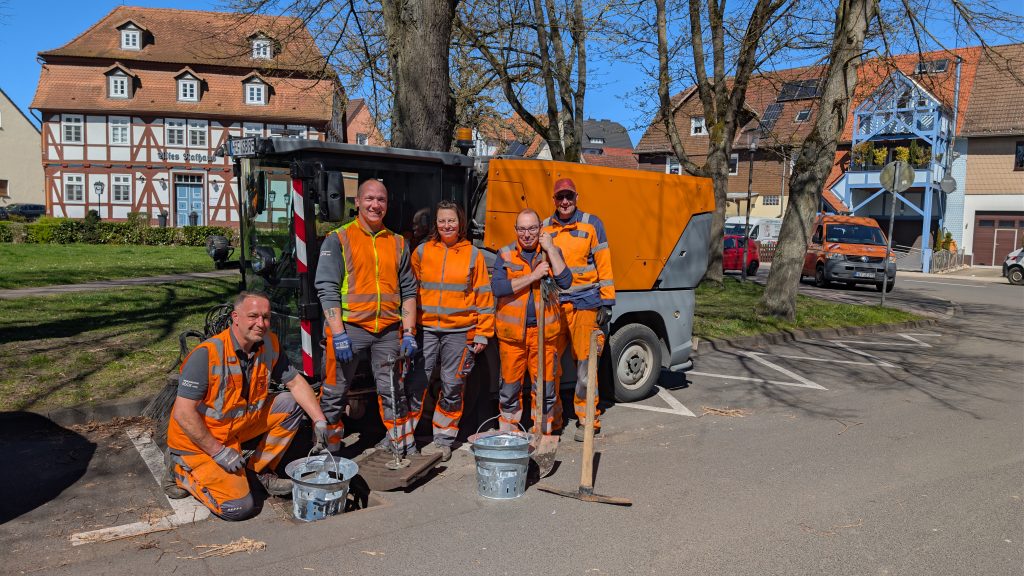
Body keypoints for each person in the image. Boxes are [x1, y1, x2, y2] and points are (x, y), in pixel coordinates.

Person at [165, 291, 329, 521]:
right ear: (235, 317)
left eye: (266, 317)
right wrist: (219, 452)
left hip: (237, 426)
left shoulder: (268, 344)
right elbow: (183, 413)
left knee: (290, 404)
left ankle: (257, 469)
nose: (260, 324)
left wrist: (319, 420)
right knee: (238, 507)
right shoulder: (207, 354)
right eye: (253, 316)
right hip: (199, 439)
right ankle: (180, 469)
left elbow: (294, 382)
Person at [315, 178, 419, 456]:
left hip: (387, 331)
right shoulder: (338, 239)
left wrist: (409, 332)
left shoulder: (398, 243)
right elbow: (327, 288)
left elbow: (409, 289)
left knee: (393, 390)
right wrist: (338, 334)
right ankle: (329, 452)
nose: (375, 205)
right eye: (370, 199)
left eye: (381, 200)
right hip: (349, 329)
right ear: (357, 202)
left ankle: (402, 447)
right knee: (335, 392)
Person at [406, 200, 495, 461]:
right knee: (416, 383)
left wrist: (482, 332)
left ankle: (444, 438)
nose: (447, 225)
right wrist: (407, 328)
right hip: (426, 329)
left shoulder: (472, 255)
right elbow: (409, 293)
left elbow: (484, 297)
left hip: (459, 331)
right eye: (442, 220)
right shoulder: (421, 252)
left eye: (452, 221)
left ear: (460, 223)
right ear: (436, 224)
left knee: (453, 384)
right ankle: (405, 436)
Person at [541, 178, 615, 442]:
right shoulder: (545, 228)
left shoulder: (592, 224)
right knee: (548, 364)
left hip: (585, 301)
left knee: (585, 365)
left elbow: (604, 264)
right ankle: (554, 419)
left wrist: (606, 302)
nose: (564, 202)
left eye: (568, 197)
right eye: (560, 197)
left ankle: (587, 419)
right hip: (555, 304)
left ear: (576, 197)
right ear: (554, 200)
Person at [491, 208, 572, 434]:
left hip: (544, 336)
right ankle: (509, 435)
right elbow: (498, 287)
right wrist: (533, 276)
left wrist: (551, 249)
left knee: (545, 389)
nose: (527, 234)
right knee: (509, 390)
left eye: (532, 228)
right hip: (512, 337)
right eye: (522, 229)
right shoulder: (505, 254)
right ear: (516, 230)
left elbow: (566, 281)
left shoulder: (550, 253)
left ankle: (542, 434)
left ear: (540, 230)